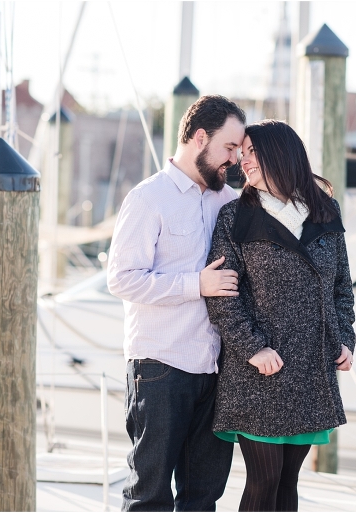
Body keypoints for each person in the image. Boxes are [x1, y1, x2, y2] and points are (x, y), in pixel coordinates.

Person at [205, 120, 356, 512]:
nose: (243, 161)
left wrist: (345, 340)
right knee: (264, 480)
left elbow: (341, 287)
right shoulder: (234, 217)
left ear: (281, 154)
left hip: (311, 371)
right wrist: (253, 348)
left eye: (253, 152)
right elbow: (222, 296)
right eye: (242, 152)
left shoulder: (325, 211)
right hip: (259, 372)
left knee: (289, 480)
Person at [107, 95, 246, 511]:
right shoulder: (148, 198)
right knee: (149, 496)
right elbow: (121, 278)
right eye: (229, 147)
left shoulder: (228, 201)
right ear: (199, 138)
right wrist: (195, 285)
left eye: (238, 150)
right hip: (160, 367)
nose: (235, 159)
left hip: (216, 369)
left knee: (203, 498)